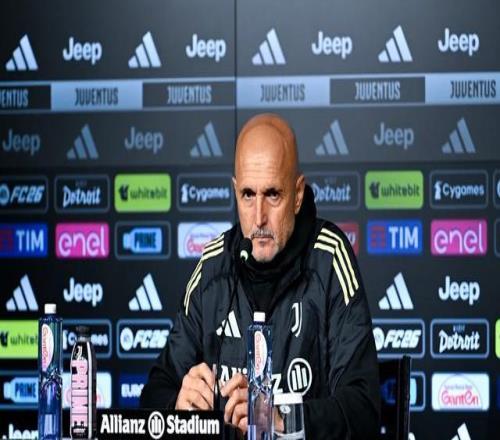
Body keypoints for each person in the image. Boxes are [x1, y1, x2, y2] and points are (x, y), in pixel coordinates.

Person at [140, 113, 380, 439]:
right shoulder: (213, 267)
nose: (258, 218)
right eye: (248, 195)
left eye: (272, 194)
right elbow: (154, 392)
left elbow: (363, 409)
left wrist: (281, 418)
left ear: (297, 194)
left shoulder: (329, 258)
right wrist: (177, 406)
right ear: (235, 191)